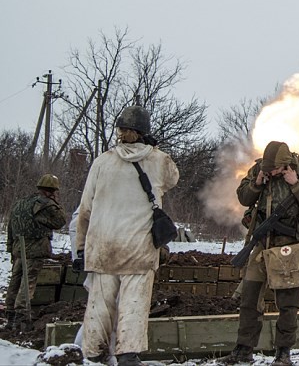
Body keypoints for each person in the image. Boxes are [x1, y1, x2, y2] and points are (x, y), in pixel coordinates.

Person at [74, 104, 179, 366]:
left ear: (120, 131)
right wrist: (153, 150)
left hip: (102, 246)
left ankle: (95, 353)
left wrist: (79, 248)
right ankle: (127, 355)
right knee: (134, 304)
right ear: (145, 131)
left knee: (99, 305)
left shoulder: (102, 161)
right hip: (138, 249)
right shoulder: (159, 160)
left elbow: (85, 209)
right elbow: (172, 179)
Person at [218, 141, 299, 366]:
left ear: (286, 165)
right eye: (268, 169)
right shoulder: (259, 170)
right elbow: (244, 198)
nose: (270, 173)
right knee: (249, 298)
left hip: (291, 246)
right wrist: (257, 184)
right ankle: (243, 350)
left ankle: (283, 352)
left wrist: (296, 185)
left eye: (274, 169)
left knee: (288, 304)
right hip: (263, 244)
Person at [5, 174, 67, 331]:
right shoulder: (45, 204)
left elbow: (10, 228)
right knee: (28, 283)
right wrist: (54, 203)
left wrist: (11, 248)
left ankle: (10, 313)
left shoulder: (20, 203)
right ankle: (22, 317)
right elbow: (60, 221)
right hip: (35, 250)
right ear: (51, 190)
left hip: (18, 249)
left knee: (15, 281)